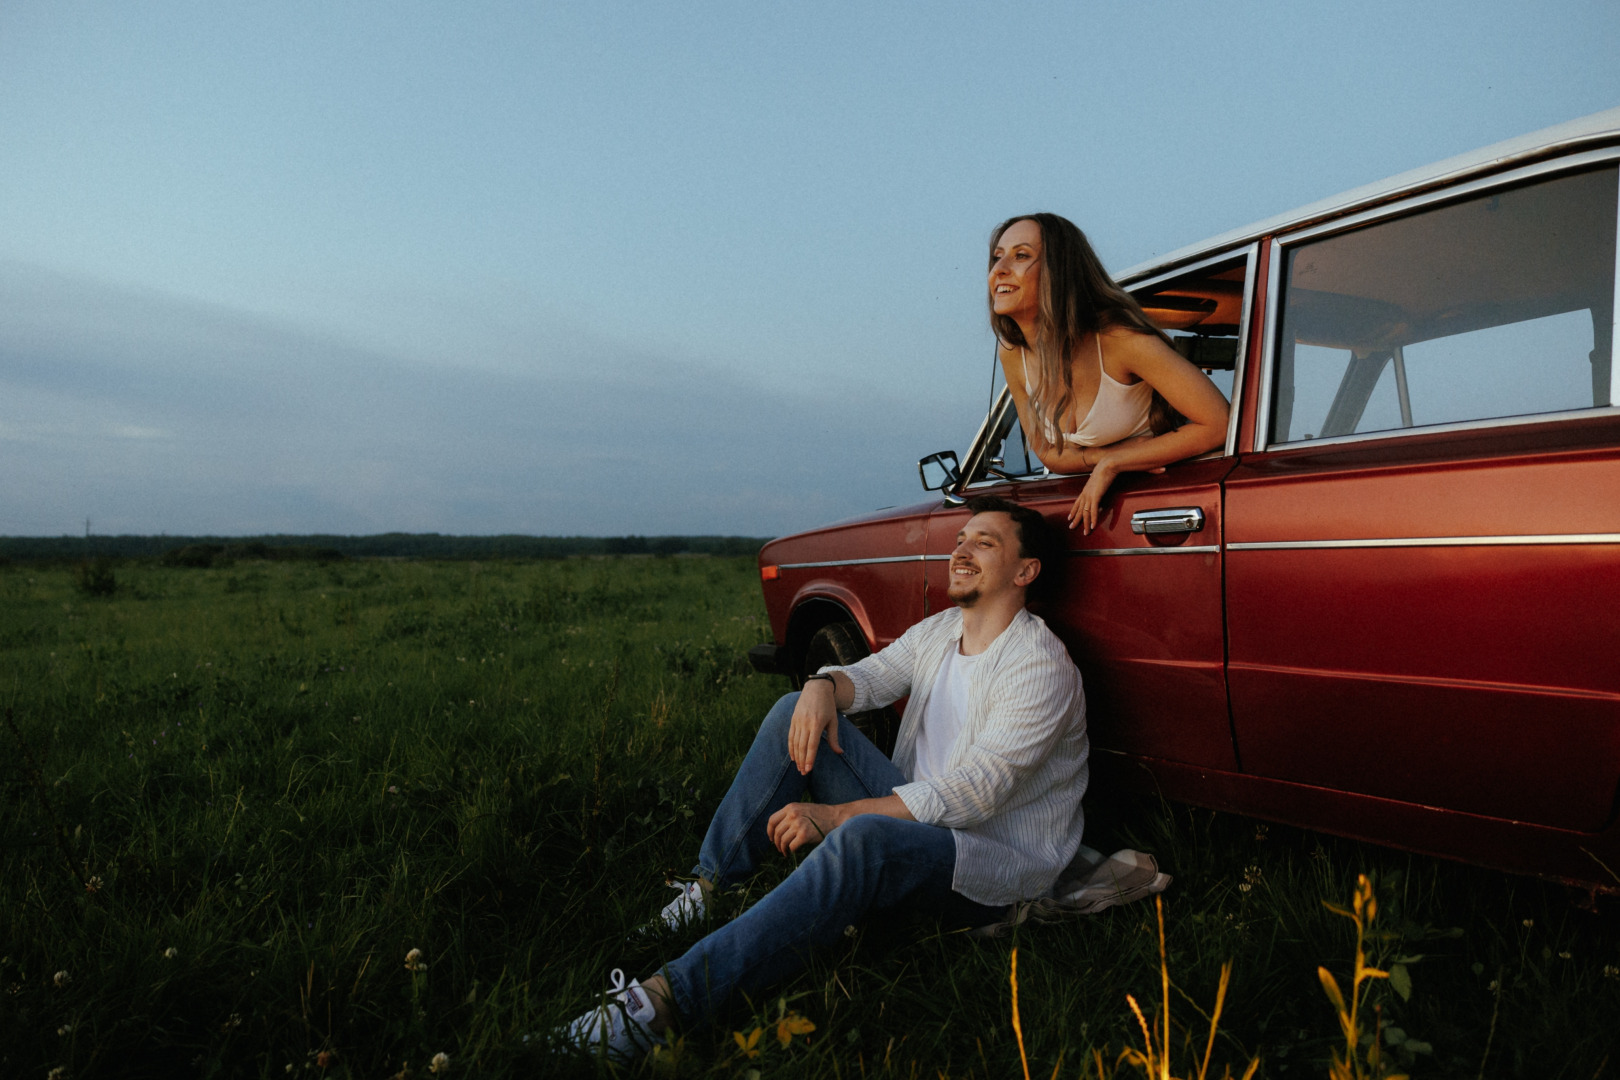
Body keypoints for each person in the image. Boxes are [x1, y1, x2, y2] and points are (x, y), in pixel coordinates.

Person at [556, 497, 1087, 1061]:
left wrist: (836, 817)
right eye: (962, 538)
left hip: (990, 860)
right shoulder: (940, 632)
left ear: (1025, 572)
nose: (961, 550)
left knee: (862, 838)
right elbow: (873, 675)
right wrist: (821, 687)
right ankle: (708, 889)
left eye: (984, 542)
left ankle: (658, 1007)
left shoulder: (1039, 663)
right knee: (793, 709)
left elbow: (975, 792)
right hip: (915, 820)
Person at [989, 213, 1230, 534]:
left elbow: (1219, 425)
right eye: (997, 257)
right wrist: (1107, 458)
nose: (1000, 269)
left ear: (1059, 271)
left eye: (1021, 255)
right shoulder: (1013, 353)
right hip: (1132, 509)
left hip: (1189, 499)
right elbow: (1049, 454)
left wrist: (1113, 465)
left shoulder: (1119, 340)